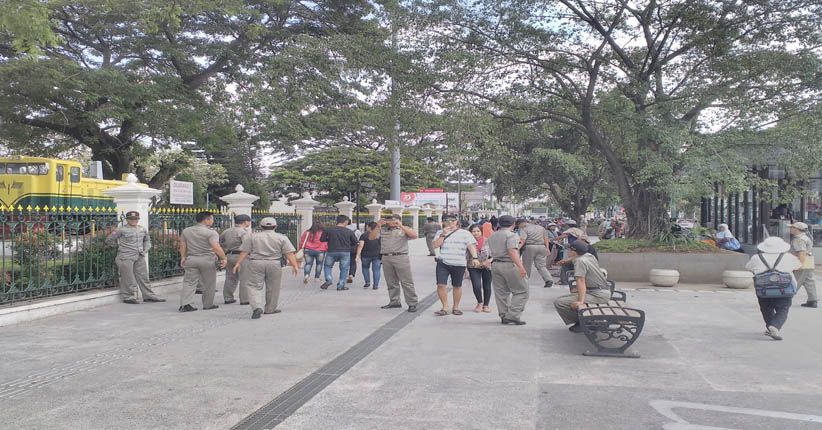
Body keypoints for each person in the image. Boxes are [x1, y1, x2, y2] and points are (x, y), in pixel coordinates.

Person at [233, 217, 299, 319]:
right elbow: (289, 253)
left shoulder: (252, 236)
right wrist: (295, 265)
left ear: (260, 226)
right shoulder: (282, 238)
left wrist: (238, 263)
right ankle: (270, 309)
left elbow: (245, 251)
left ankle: (256, 307)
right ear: (275, 226)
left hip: (256, 263)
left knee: (254, 286)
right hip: (274, 263)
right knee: (273, 287)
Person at [744, 237, 801, 340]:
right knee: (783, 308)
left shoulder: (757, 257)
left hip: (763, 288)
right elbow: (798, 266)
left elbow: (748, 267)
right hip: (785, 288)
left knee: (766, 308)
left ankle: (770, 326)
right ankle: (774, 326)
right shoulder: (789, 257)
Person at [105, 211, 165, 304]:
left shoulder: (142, 229)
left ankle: (149, 296)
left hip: (139, 256)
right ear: (127, 220)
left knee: (144, 277)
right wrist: (119, 247)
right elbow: (109, 240)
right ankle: (128, 297)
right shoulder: (121, 230)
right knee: (127, 277)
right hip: (126, 256)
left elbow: (147, 240)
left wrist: (145, 249)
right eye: (131, 219)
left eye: (136, 219)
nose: (134, 221)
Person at [553, 241, 611, 332]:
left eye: (569, 249)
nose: (568, 250)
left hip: (598, 295)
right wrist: (566, 261)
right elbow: (575, 257)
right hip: (601, 291)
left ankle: (585, 322)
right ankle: (584, 321)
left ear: (573, 251)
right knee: (568, 296)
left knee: (559, 302)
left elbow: (580, 280)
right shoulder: (588, 256)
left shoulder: (580, 262)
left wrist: (580, 301)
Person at [179, 211, 227, 312]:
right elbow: (215, 247)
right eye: (212, 219)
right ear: (206, 220)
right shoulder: (211, 233)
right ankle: (208, 304)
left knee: (189, 282)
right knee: (209, 283)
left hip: (191, 259)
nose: (213, 221)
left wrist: (183, 257)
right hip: (207, 260)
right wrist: (223, 258)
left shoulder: (186, 231)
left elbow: (183, 245)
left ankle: (186, 304)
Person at [432, 215, 479, 316]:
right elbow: (435, 245)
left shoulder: (465, 233)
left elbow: (471, 246)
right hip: (443, 262)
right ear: (443, 222)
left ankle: (456, 307)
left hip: (459, 263)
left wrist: (475, 258)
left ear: (456, 221)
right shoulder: (440, 233)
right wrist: (443, 235)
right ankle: (445, 307)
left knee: (457, 286)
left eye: (452, 220)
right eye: (446, 221)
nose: (450, 223)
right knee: (441, 284)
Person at [370, 215, 419, 312]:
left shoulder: (404, 229)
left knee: (406, 282)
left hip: (401, 256)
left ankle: (412, 303)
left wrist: (400, 225)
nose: (391, 222)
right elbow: (371, 237)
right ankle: (394, 301)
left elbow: (414, 236)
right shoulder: (383, 230)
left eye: (394, 220)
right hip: (386, 257)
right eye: (390, 220)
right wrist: (378, 225)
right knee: (391, 282)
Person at [488, 215, 529, 325]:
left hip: (495, 264)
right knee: (522, 290)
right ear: (513, 224)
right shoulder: (512, 235)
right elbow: (512, 251)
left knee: (501, 292)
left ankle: (504, 315)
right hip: (509, 264)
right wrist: (521, 267)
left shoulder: (492, 235)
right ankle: (513, 315)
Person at [320, 215, 359, 291]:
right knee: (344, 269)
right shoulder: (349, 231)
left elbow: (322, 239)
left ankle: (329, 279)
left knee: (327, 266)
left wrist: (329, 239)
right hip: (345, 252)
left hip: (331, 251)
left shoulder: (328, 230)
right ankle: (340, 285)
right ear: (345, 222)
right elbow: (355, 242)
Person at [220, 214, 251, 305]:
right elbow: (247, 245)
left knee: (230, 277)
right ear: (245, 222)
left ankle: (228, 297)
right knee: (244, 278)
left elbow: (220, 242)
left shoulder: (227, 231)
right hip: (242, 257)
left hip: (230, 255)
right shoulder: (243, 232)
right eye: (249, 221)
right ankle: (244, 299)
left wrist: (226, 250)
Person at [516, 218, 555, 288]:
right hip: (542, 247)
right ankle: (548, 279)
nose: (519, 227)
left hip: (530, 247)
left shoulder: (524, 229)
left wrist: (517, 248)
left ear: (521, 224)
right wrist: (547, 248)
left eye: (518, 226)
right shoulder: (541, 228)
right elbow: (546, 239)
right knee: (541, 265)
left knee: (527, 265)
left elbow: (522, 240)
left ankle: (525, 281)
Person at [790, 222, 817, 308]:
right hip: (808, 260)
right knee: (809, 281)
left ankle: (786, 300)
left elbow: (801, 253)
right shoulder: (806, 237)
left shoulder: (799, 239)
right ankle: (812, 300)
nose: (790, 229)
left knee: (795, 281)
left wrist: (799, 265)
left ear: (797, 229)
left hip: (802, 261)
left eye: (792, 227)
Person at [468, 224, 493, 313]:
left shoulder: (488, 241)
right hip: (473, 266)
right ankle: (479, 302)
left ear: (481, 232)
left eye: (478, 231)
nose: (476, 233)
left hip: (487, 266)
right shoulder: (468, 242)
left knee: (487, 286)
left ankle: (486, 305)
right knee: (476, 285)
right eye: (473, 231)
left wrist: (489, 261)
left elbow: (495, 253)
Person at [356, 222, 381, 289]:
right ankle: (375, 285)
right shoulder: (379, 236)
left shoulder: (364, 235)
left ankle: (367, 282)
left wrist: (357, 256)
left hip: (365, 255)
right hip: (377, 255)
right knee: (376, 270)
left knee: (365, 268)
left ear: (368, 227)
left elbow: (360, 246)